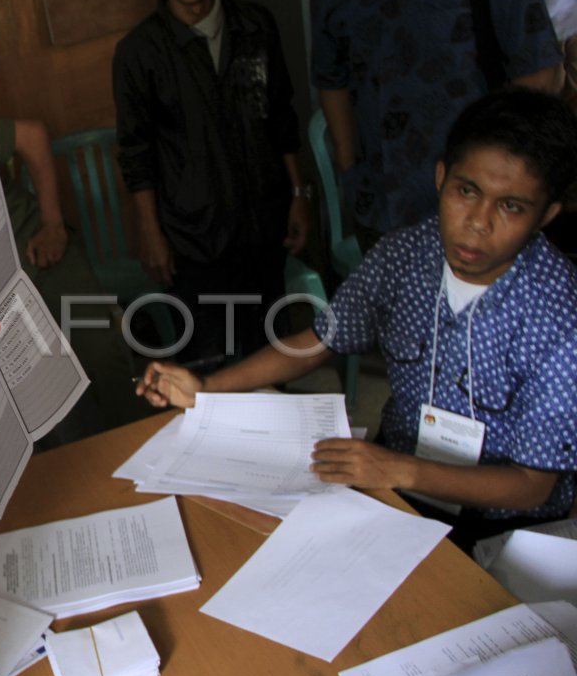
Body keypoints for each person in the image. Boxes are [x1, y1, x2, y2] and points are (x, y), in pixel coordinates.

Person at [137, 89, 577, 550]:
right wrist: (209, 390)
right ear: (442, 177)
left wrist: (395, 468)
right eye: (467, 192)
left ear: (545, 215)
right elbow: (321, 338)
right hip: (396, 482)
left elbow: (533, 484)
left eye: (510, 206)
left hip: (500, 524)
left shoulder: (560, 317)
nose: (478, 223)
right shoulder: (404, 255)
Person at [113, 0, 310, 366]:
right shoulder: (139, 53)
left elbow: (282, 117)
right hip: (192, 239)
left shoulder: (256, 26)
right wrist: (150, 232)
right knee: (208, 367)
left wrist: (298, 193)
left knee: (269, 355)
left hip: (264, 222)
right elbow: (136, 152)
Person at [311, 0, 563, 247]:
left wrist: (499, 176)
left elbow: (540, 73)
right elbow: (333, 81)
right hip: (384, 214)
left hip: (485, 211)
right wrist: (349, 168)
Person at [0, 115, 151, 437]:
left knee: (104, 359)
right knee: (46, 401)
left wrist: (52, 224)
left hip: (40, 250)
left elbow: (31, 135)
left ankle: (138, 450)